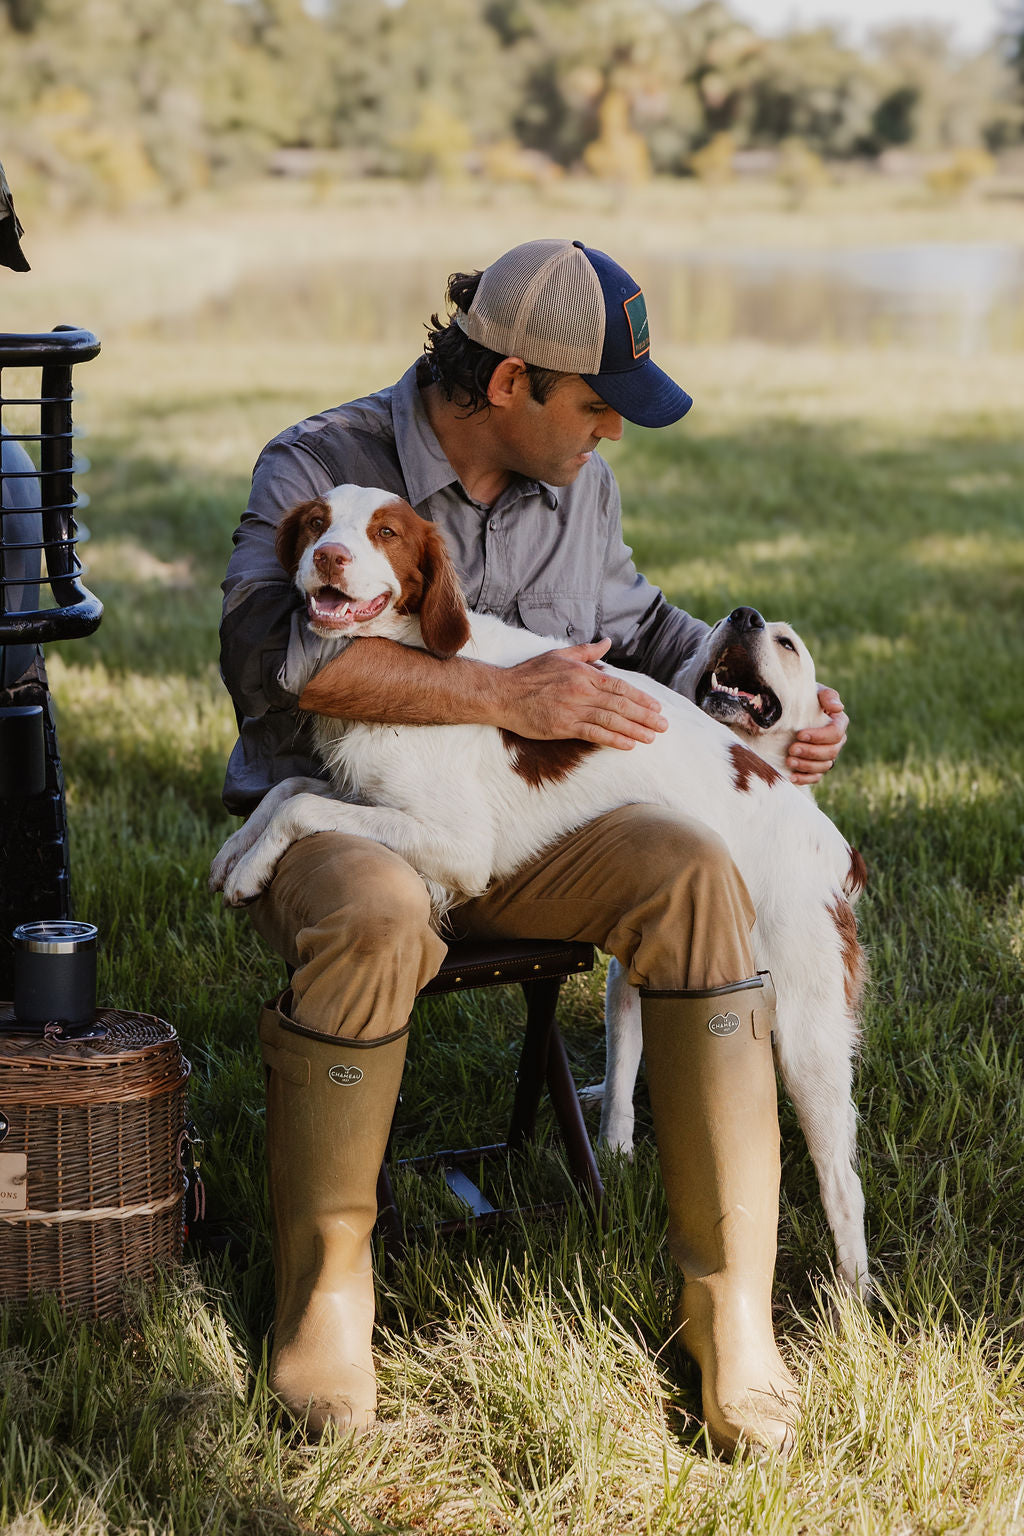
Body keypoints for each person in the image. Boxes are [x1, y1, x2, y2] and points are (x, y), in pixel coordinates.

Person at [219, 238, 848, 1458]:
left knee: (691, 866)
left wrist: (765, 704)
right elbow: (268, 661)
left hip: (533, 831)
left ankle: (733, 1315)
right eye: (596, 406)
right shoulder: (319, 466)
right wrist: (501, 698)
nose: (609, 433)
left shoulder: (579, 489)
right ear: (510, 385)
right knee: (378, 912)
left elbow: (637, 635)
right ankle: (328, 1305)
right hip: (344, 820)